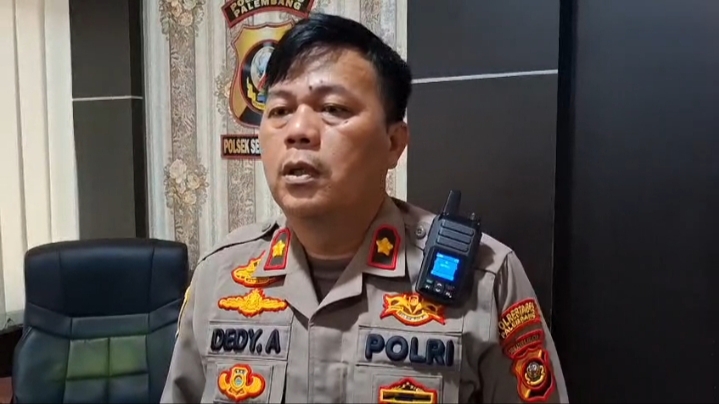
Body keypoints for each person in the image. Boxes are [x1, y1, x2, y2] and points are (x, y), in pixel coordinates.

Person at [160, 12, 569, 404]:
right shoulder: (221, 277)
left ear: (393, 143)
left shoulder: (485, 278)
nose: (298, 131)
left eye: (333, 109)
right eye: (280, 110)